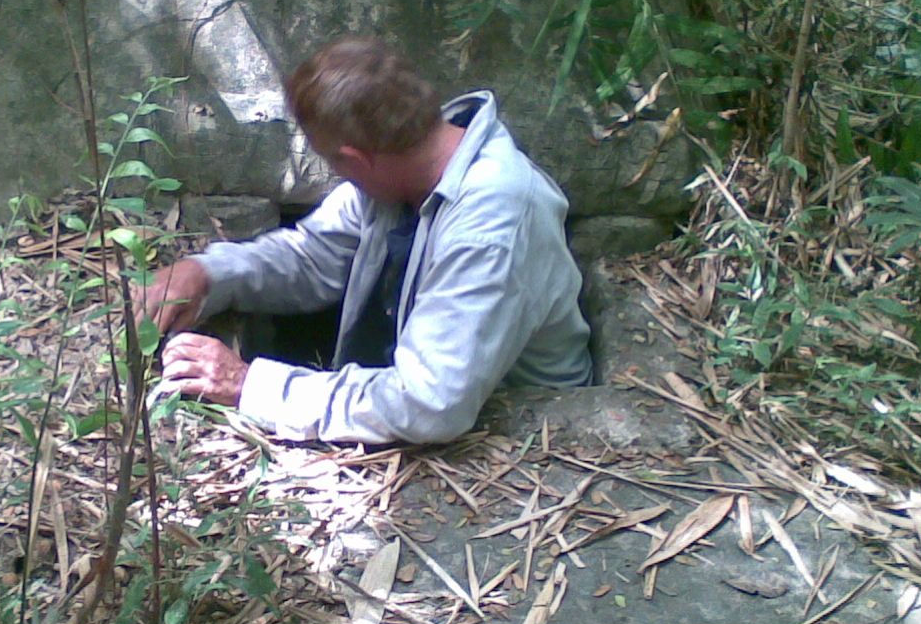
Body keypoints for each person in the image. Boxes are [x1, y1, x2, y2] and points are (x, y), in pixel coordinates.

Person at [142, 37, 592, 445]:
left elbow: (430, 405)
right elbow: (313, 257)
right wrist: (209, 273)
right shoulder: (406, 170)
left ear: (356, 158)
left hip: (528, 438)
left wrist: (248, 385)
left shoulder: (490, 225)